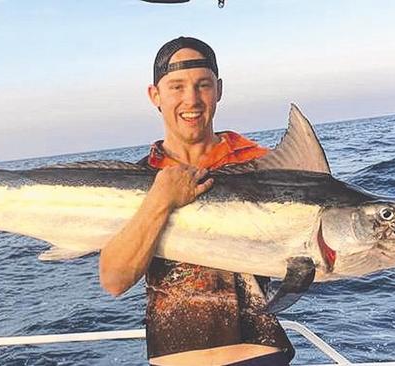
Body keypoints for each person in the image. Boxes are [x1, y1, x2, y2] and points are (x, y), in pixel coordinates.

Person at [99, 36, 294, 366]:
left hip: (259, 355)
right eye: (176, 87)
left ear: (218, 89)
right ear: (155, 95)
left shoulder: (263, 166)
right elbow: (115, 281)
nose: (191, 99)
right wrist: (161, 198)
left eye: (202, 85)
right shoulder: (135, 183)